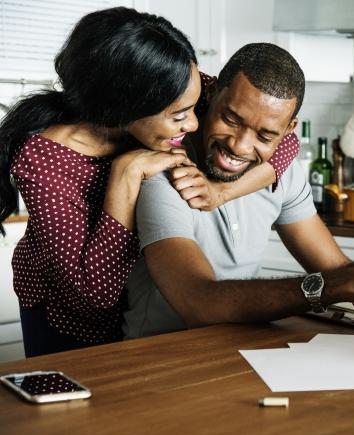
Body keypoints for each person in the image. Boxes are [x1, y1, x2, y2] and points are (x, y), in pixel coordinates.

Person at [0, 8, 299, 357]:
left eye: (193, 108)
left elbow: (285, 142)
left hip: (138, 308)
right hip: (65, 320)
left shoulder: (178, 86)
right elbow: (92, 296)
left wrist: (221, 192)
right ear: (125, 108)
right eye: (178, 116)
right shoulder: (45, 159)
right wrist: (125, 173)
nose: (191, 125)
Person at [124, 43, 354, 339]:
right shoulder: (166, 173)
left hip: (231, 353)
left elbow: (337, 268)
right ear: (211, 94)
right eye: (231, 120)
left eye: (264, 136)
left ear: (288, 131)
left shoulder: (283, 176)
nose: (240, 146)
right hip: (155, 360)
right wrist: (343, 285)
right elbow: (198, 302)